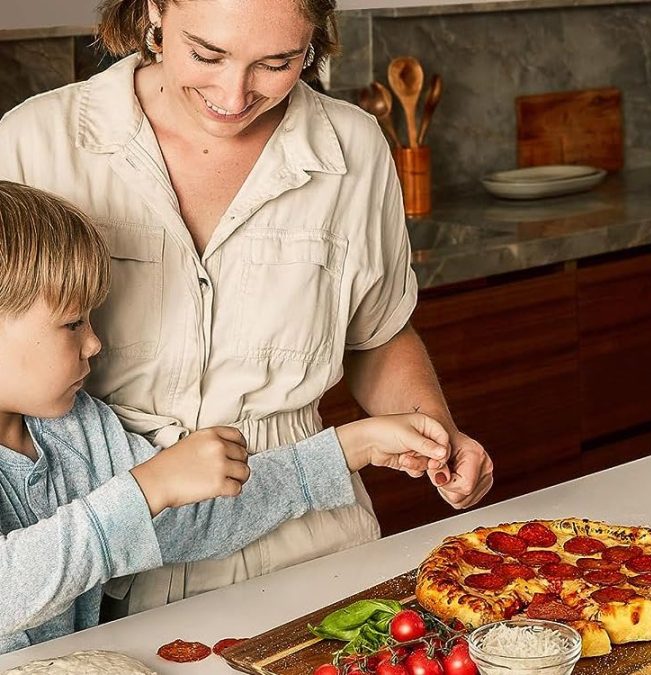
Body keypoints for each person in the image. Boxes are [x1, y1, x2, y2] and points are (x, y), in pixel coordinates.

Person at [0, 0, 493, 614]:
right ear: (154, 9)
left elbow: (377, 334)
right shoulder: (32, 142)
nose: (234, 96)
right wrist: (145, 488)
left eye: (278, 62)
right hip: (99, 571)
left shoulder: (355, 147)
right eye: (207, 54)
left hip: (311, 541)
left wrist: (433, 431)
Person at [0, 180, 454, 654]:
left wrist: (347, 448)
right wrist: (148, 486)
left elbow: (185, 522)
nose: (94, 344)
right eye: (73, 324)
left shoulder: (78, 426)